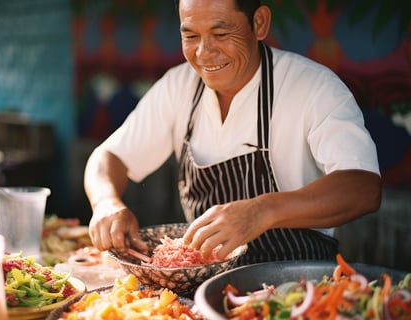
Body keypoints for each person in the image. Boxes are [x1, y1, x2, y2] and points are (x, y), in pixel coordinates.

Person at [84, 0, 381, 265]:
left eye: (221, 34)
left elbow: (362, 188)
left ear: (259, 23)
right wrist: (106, 203)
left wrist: (262, 211)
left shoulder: (314, 88)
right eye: (190, 35)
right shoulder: (178, 87)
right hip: (203, 290)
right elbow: (108, 157)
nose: (204, 53)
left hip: (297, 287)